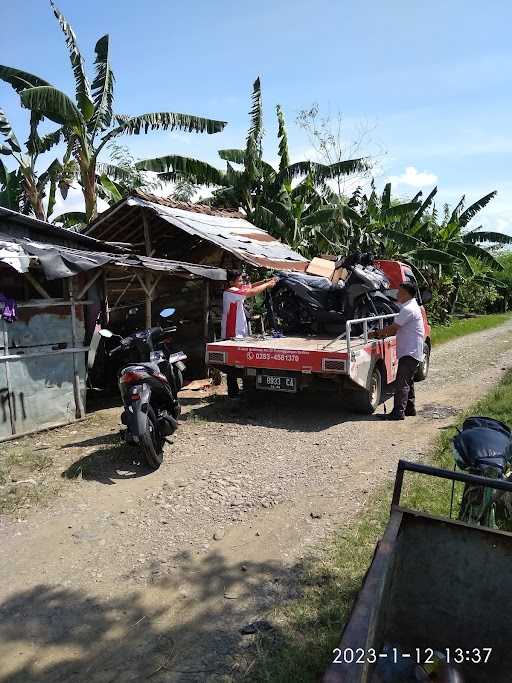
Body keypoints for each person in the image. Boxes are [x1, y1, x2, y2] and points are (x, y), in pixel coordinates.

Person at [371, 282, 425, 420]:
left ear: (406, 294)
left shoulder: (408, 309)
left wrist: (377, 333)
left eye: (399, 292)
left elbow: (393, 329)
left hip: (409, 351)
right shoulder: (412, 306)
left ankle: (398, 413)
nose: (397, 295)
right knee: (408, 381)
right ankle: (409, 409)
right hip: (412, 350)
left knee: (402, 383)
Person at [221, 269, 277, 397]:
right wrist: (268, 285)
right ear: (231, 282)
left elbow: (250, 286)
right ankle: (233, 393)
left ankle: (238, 390)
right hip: (233, 333)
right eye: (239, 280)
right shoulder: (231, 292)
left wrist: (264, 281)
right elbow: (251, 292)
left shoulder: (234, 290)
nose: (242, 282)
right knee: (232, 365)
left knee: (237, 363)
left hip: (237, 332)